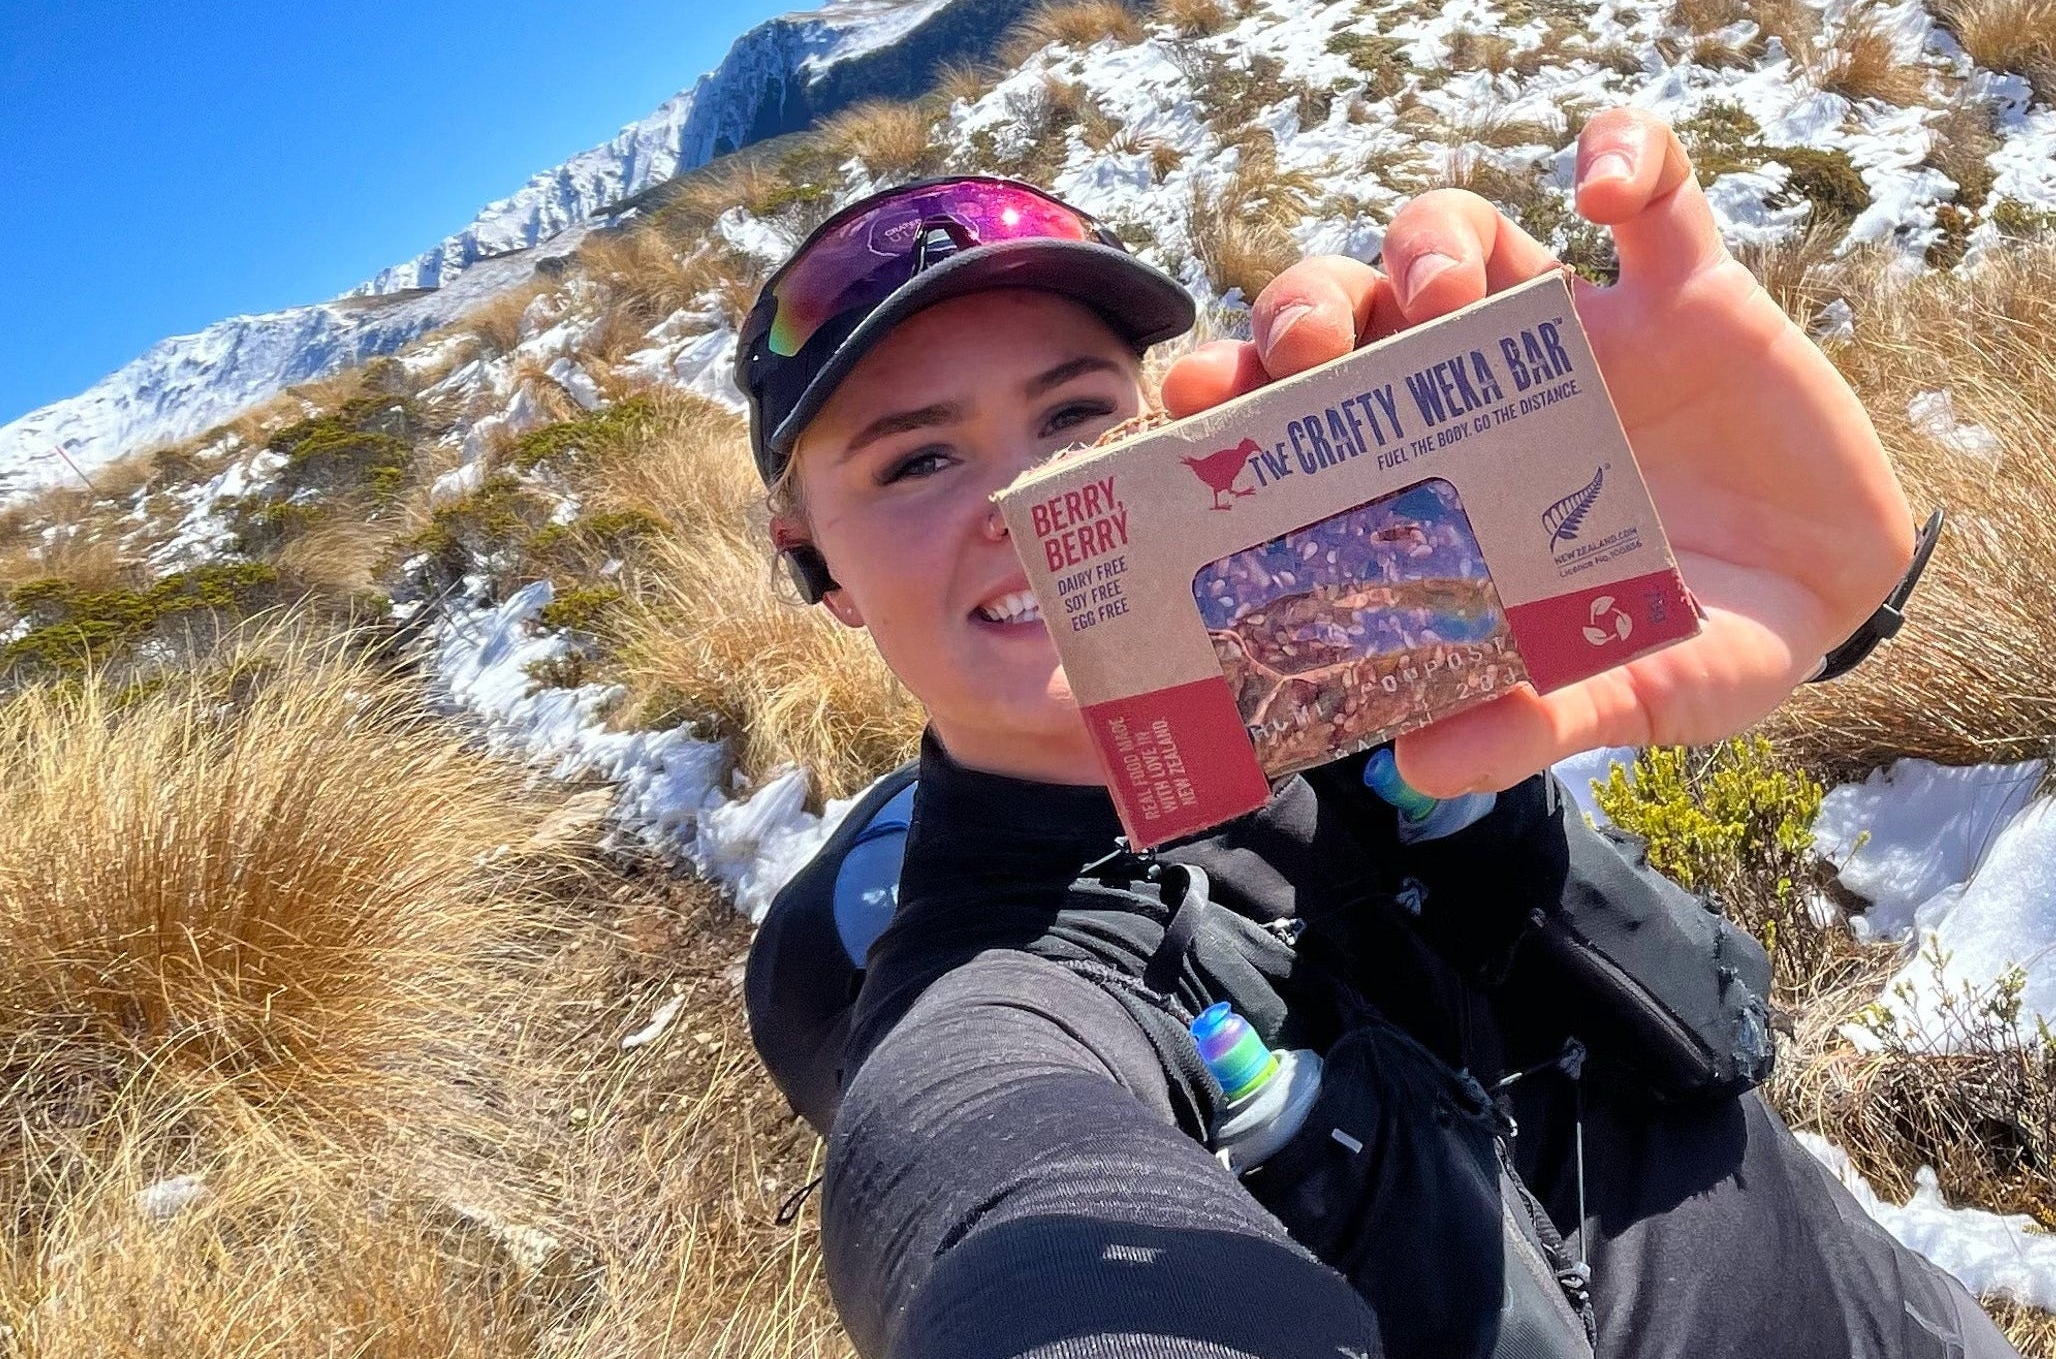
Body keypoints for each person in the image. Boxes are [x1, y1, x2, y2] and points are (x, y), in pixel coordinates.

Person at [734, 108, 2013, 1359]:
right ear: (818, 568)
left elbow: (1677, 620)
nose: (1024, 501)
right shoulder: (990, 1000)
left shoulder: (1347, 633)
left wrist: (1799, 580)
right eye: (915, 463)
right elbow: (997, 1193)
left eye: (1073, 415)